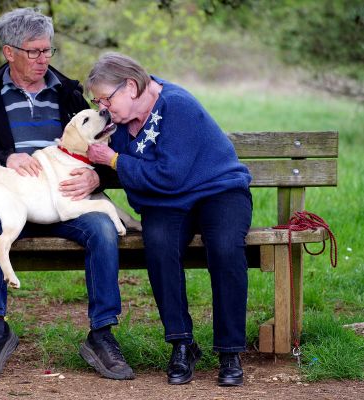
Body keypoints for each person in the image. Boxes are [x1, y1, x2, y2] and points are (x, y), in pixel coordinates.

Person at [0, 9, 133, 381]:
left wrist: (96, 178)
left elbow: (103, 145)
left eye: (47, 50)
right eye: (32, 52)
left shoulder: (68, 94)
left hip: (65, 202)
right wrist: (5, 157)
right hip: (13, 201)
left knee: (102, 228)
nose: (42, 59)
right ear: (9, 52)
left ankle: (102, 334)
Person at [86, 52, 253, 387]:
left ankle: (230, 350)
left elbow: (169, 176)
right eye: (97, 101)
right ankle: (181, 344)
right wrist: (109, 172)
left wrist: (116, 162)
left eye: (106, 99)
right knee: (159, 243)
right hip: (167, 202)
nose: (103, 108)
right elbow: (138, 185)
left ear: (130, 86)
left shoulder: (177, 105)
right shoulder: (117, 126)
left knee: (224, 246)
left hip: (218, 191)